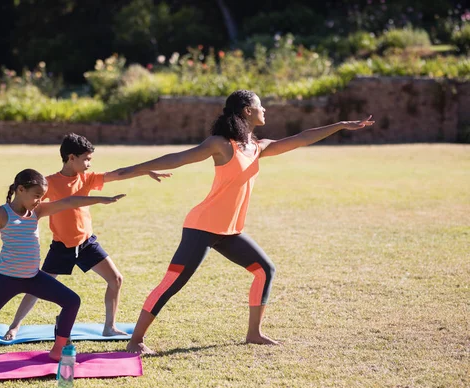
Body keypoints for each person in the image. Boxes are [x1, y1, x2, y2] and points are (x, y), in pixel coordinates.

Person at [118, 89, 374, 354]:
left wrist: (342, 125)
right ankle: (135, 340)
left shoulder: (257, 147)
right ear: (247, 111)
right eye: (260, 106)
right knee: (173, 282)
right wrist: (138, 169)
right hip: (201, 227)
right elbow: (180, 157)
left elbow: (301, 138)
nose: (265, 110)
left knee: (265, 270)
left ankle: (254, 333)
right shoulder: (221, 144)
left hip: (228, 231)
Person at [0, 168, 125, 372]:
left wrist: (100, 199)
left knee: (72, 301)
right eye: (36, 196)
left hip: (32, 278)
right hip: (4, 279)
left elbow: (68, 202)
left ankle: (58, 350)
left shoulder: (37, 211)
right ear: (20, 189)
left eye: (42, 197)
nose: (39, 200)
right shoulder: (1, 213)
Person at [0, 133, 170, 340]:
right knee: (36, 287)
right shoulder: (48, 184)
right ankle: (14, 326)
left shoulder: (88, 178)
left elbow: (118, 173)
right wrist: (0, 224)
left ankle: (109, 327)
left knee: (116, 279)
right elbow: (24, 205)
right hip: (60, 247)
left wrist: (145, 171)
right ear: (71, 158)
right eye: (86, 159)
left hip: (86, 244)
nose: (90, 164)